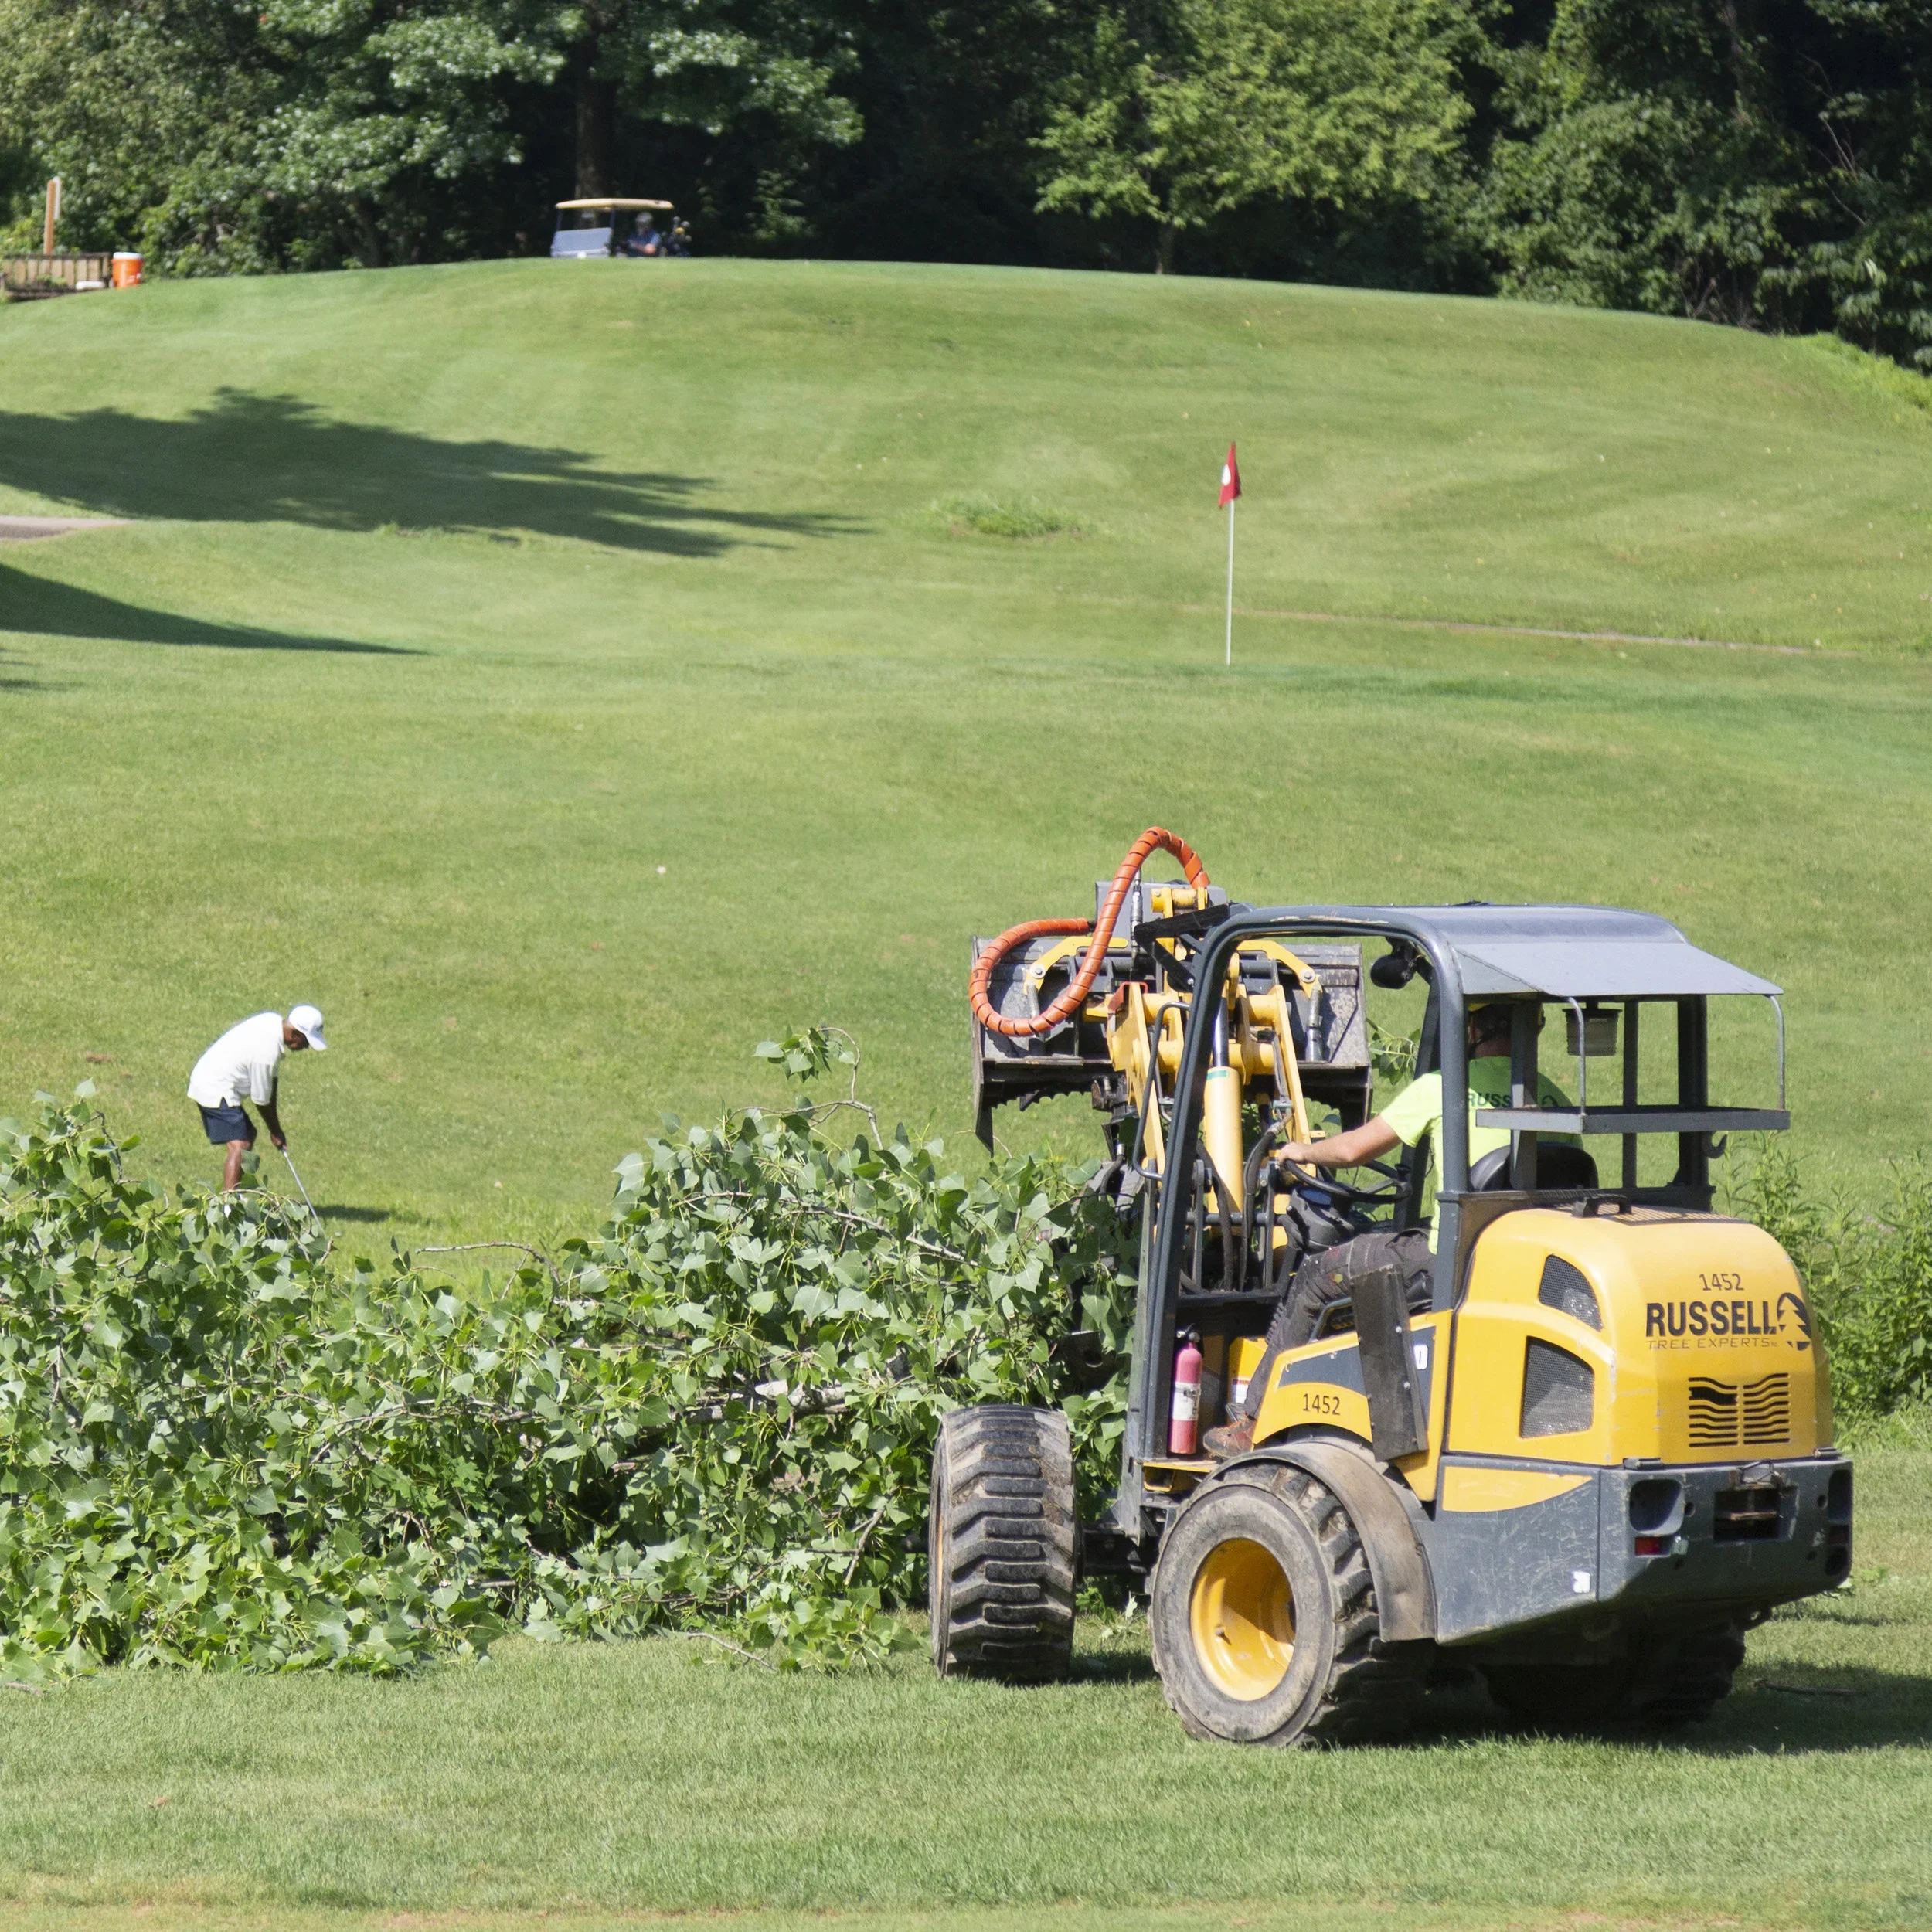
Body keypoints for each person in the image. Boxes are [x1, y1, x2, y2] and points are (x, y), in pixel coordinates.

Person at [1202, 998, 1573, 1458]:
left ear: (1473, 1029)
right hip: (1522, 1262)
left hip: (1451, 1262)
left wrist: (1300, 1152)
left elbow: (1354, 1150)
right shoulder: (1553, 1098)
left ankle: (1253, 1425)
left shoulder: (1445, 1089)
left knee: (1320, 1274)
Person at [187, 1005, 327, 1192]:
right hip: (214, 1085)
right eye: (307, 1041)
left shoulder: (271, 1021)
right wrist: (275, 1130)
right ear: (295, 1034)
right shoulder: (267, 1052)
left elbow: (271, 1082)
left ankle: (235, 1196)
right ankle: (227, 1204)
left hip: (211, 1078)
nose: (307, 1047)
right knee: (240, 1143)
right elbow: (261, 1099)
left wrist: (275, 1130)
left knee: (248, 1134)